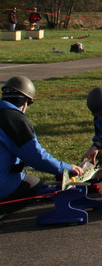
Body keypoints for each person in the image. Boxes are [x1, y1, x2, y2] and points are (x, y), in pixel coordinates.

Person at [1, 76, 83, 216]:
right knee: (39, 186)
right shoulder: (13, 119)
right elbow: (37, 158)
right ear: (26, 102)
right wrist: (66, 168)